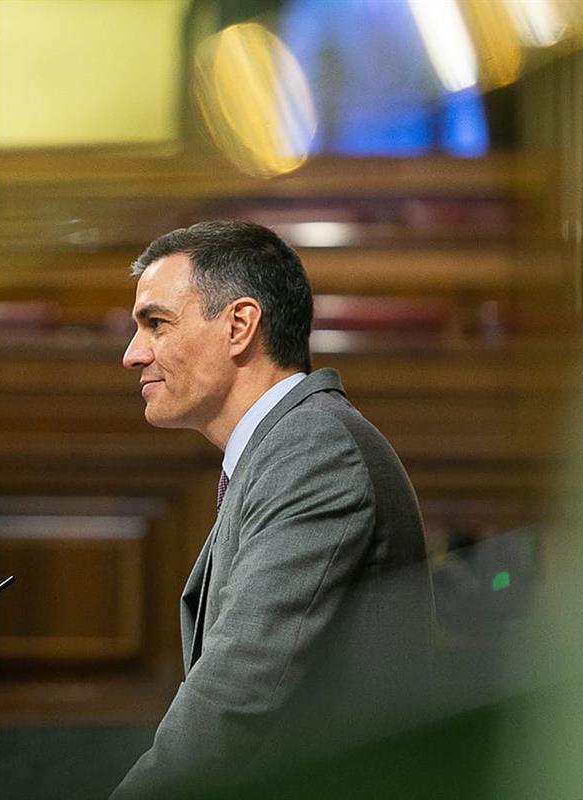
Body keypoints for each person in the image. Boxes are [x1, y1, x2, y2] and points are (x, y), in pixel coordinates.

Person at [112, 220, 434, 798]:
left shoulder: (314, 449)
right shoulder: (288, 445)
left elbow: (240, 689)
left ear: (239, 325)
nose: (134, 355)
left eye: (156, 324)